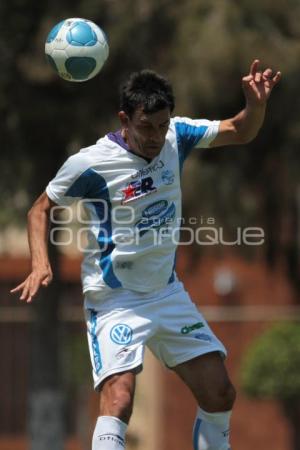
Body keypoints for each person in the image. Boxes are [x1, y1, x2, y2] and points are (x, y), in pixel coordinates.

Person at [11, 59, 281, 450]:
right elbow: (40, 208)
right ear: (125, 118)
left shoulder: (179, 136)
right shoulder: (90, 163)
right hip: (114, 298)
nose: (155, 137)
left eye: (162, 126)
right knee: (119, 399)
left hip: (165, 292)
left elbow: (240, 130)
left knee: (220, 393)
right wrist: (40, 261)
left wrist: (256, 106)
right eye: (145, 127)